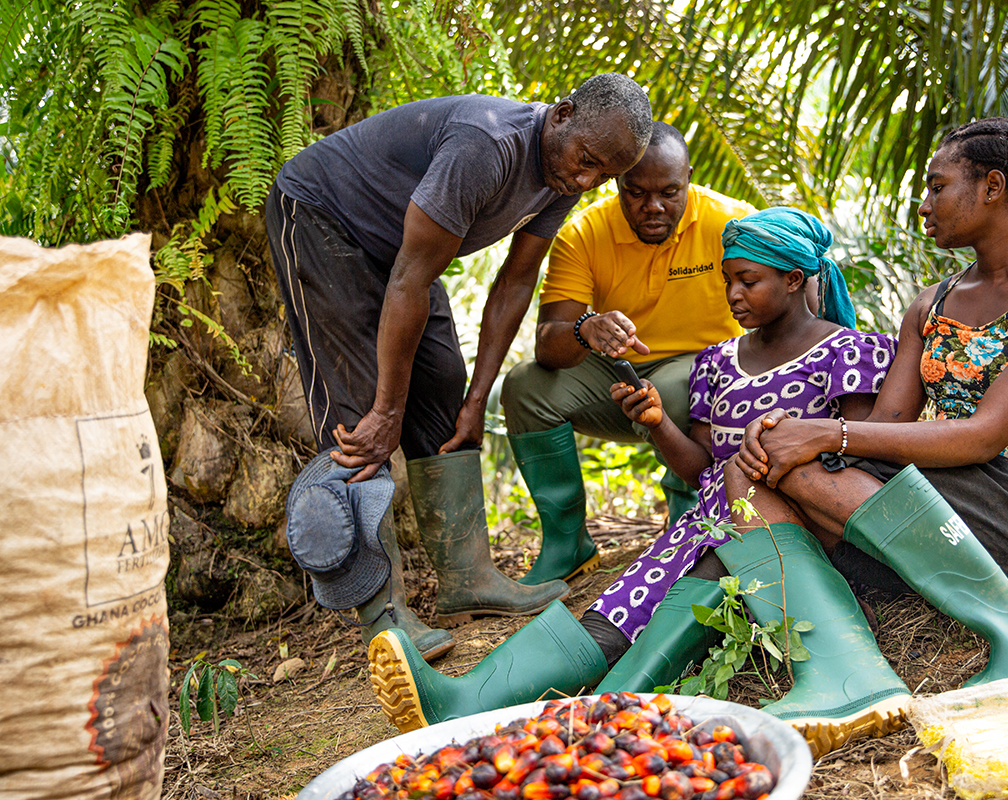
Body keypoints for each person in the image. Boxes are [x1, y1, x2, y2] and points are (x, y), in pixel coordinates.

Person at [368, 209, 899, 762]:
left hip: (788, 537)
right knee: (619, 606)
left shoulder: (849, 351)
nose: (733, 295)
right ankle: (472, 700)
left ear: (794, 279)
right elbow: (702, 470)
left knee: (677, 601)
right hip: (708, 524)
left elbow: (853, 461)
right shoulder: (718, 362)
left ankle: (586, 714)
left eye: (748, 280)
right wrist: (657, 423)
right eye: (727, 280)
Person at [720, 118, 1008, 753]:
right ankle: (846, 670)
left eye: (936, 186)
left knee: (799, 460)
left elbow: (984, 437)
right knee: (751, 463)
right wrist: (791, 432)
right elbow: (887, 428)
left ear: (991, 186)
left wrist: (824, 434)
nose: (923, 205)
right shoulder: (931, 304)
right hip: (937, 498)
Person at [265, 74, 653, 662]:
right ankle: (383, 613)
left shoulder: (566, 169)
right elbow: (410, 278)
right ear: (564, 114)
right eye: (587, 163)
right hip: (322, 217)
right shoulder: (487, 144)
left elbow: (515, 281)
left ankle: (467, 578)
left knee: (443, 385)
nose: (586, 181)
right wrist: (387, 410)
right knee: (357, 412)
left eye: (603, 177)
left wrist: (477, 400)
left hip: (402, 253)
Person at [498, 121, 758, 586]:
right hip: (620, 376)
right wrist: (586, 328)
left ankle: (691, 525)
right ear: (617, 182)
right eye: (636, 193)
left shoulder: (732, 223)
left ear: (689, 178)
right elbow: (548, 343)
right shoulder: (584, 233)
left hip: (710, 377)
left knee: (679, 387)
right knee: (524, 386)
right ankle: (567, 544)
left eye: (670, 192)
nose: (653, 207)